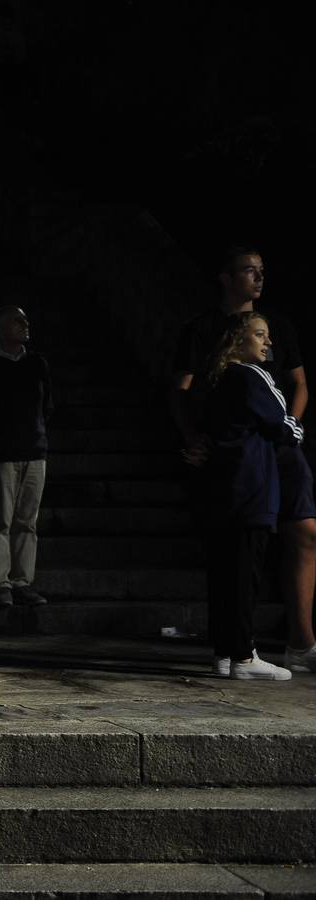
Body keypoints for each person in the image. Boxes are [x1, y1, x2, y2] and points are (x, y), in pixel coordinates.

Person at [170, 246, 316, 674]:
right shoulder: (208, 333)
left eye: (262, 271)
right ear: (225, 277)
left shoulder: (276, 328)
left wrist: (288, 427)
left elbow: (299, 384)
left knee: (303, 530)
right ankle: (238, 650)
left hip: (276, 448)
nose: (259, 277)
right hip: (247, 453)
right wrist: (193, 438)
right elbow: (180, 389)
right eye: (249, 271)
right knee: (239, 547)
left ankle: (298, 643)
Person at [202, 313, 299, 680]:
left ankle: (225, 652)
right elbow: (282, 421)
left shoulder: (217, 380)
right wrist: (297, 432)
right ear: (237, 341)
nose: (267, 342)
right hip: (252, 487)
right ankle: (243, 656)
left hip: (224, 488)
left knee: (226, 574)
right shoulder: (251, 374)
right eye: (260, 334)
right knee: (246, 574)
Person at [0, 306, 53, 609]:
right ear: (0, 330)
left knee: (27, 522)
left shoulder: (37, 363)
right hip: (0, 454)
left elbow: (47, 405)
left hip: (34, 450)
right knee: (1, 520)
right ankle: (1, 583)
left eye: (25, 320)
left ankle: (22, 581)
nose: (24, 325)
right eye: (16, 321)